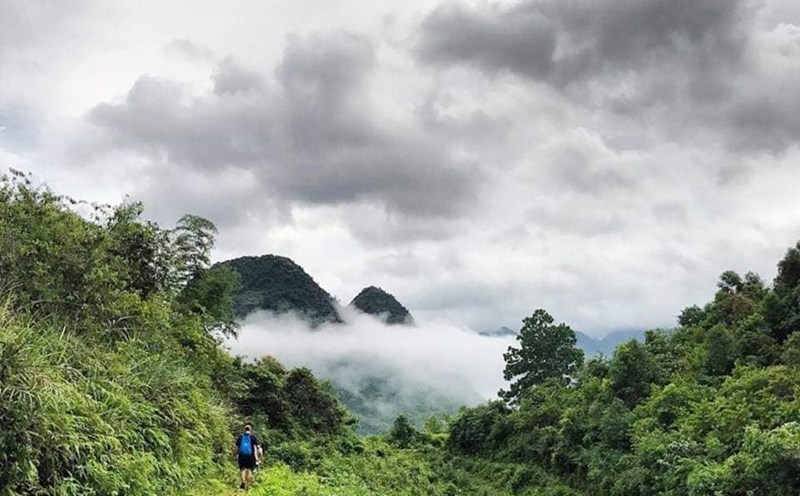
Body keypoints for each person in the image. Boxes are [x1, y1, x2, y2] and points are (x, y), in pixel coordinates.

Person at [234, 425, 261, 490]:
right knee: (249, 470)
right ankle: (248, 485)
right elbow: (258, 448)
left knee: (242, 469)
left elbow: (236, 447)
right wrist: (258, 457)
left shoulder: (240, 437)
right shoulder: (253, 437)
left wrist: (236, 455)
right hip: (250, 456)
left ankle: (243, 481)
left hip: (241, 456)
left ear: (244, 430)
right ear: (250, 430)